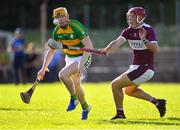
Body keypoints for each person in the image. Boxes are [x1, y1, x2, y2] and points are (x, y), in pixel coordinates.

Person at [100, 7, 166, 120]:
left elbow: (155, 49)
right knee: (129, 91)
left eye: (132, 17)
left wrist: (144, 39)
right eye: (128, 17)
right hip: (136, 67)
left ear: (140, 17)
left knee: (115, 85)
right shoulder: (128, 31)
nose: (129, 20)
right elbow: (117, 42)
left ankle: (120, 114)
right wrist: (107, 49)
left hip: (145, 68)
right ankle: (157, 102)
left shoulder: (148, 29)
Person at [37, 7, 93, 120]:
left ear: (67, 17)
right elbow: (51, 50)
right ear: (55, 19)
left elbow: (89, 47)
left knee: (62, 74)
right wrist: (43, 68)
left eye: (63, 16)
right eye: (58, 17)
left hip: (84, 55)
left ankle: (73, 98)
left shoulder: (75, 26)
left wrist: (82, 63)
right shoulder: (57, 32)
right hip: (70, 57)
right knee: (76, 86)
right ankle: (85, 107)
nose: (61, 19)